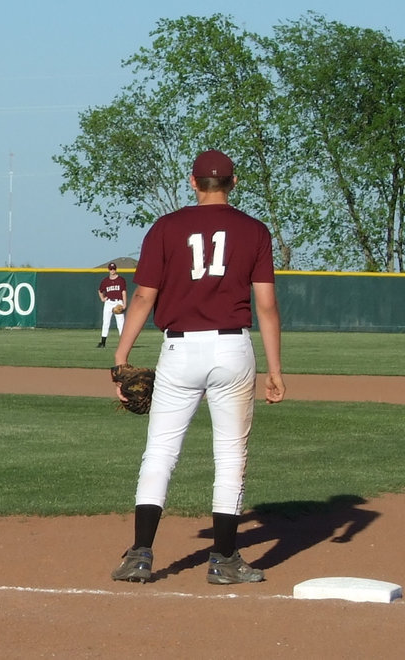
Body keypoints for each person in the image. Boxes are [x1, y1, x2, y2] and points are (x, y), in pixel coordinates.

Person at [109, 149, 285, 585]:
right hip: (233, 351)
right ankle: (224, 560)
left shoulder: (167, 227)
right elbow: (266, 305)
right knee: (229, 457)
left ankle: (140, 555)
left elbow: (145, 297)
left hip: (179, 350)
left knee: (161, 453)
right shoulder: (255, 231)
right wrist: (276, 370)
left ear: (193, 183)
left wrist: (121, 358)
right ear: (233, 182)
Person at [97, 262, 127, 348]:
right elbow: (100, 290)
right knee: (106, 322)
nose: (112, 270)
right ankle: (103, 342)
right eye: (111, 269)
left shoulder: (121, 280)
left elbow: (123, 292)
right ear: (108, 270)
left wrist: (124, 304)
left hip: (118, 302)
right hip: (109, 302)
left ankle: (123, 343)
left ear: (116, 269)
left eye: (113, 269)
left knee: (121, 323)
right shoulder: (105, 281)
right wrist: (102, 298)